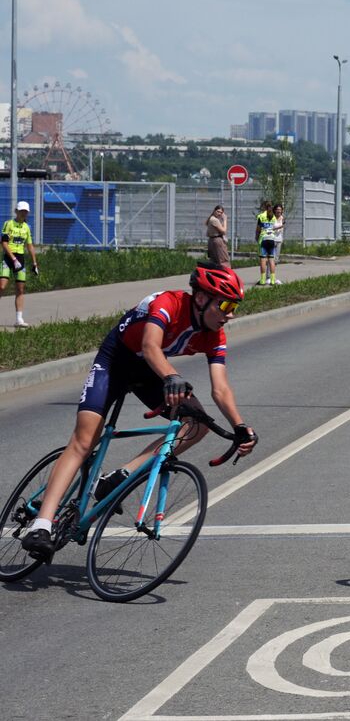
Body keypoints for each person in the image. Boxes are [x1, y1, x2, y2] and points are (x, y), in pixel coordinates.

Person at [19, 264, 259, 562]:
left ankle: (119, 477)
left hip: (150, 371)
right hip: (116, 362)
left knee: (197, 424)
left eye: (234, 306)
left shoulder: (215, 335)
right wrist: (171, 376)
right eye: (225, 304)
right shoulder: (169, 303)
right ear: (201, 299)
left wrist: (240, 426)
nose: (231, 313)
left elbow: (220, 388)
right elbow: (149, 345)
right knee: (85, 440)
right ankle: (41, 524)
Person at [1, 200, 40, 328]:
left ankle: (19, 319)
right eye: (21, 211)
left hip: (21, 259)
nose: (23, 213)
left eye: (25, 212)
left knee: (20, 289)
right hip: (8, 258)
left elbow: (29, 246)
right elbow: (4, 243)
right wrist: (13, 259)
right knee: (2, 286)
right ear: (16, 211)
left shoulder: (26, 227)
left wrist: (34, 263)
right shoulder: (8, 224)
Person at [257, 203, 283, 285]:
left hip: (270, 239)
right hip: (272, 239)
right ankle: (269, 279)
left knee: (269, 259)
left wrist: (257, 236)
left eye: (280, 209)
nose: (278, 211)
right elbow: (271, 228)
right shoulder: (272, 217)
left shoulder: (262, 216)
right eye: (277, 209)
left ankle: (265, 279)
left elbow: (259, 228)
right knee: (270, 259)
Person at [205, 205, 230, 269]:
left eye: (221, 212)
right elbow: (224, 231)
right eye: (218, 211)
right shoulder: (214, 220)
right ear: (214, 211)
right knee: (224, 260)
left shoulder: (212, 219)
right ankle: (227, 275)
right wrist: (225, 220)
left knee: (214, 260)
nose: (219, 214)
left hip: (212, 240)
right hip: (217, 240)